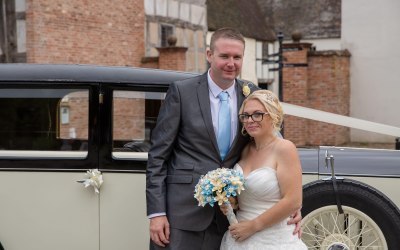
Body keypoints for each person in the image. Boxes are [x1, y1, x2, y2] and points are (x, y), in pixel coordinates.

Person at [146, 27, 301, 250]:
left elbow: (273, 147)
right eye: (224, 56)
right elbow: (158, 156)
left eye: (237, 57)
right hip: (181, 213)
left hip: (231, 219)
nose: (231, 63)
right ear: (210, 55)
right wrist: (157, 212)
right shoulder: (182, 92)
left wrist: (292, 206)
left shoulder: (253, 95)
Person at [220, 89, 307, 249]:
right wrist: (232, 202)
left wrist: (253, 226)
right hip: (239, 238)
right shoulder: (245, 149)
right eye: (245, 116)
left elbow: (293, 201)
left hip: (273, 239)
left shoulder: (285, 148)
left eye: (257, 114)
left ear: (272, 115)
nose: (250, 120)